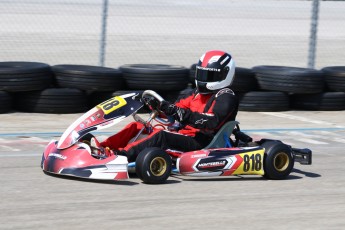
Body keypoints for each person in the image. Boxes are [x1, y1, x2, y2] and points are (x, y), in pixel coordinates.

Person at [99, 50, 239, 162]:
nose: (203, 79)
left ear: (225, 74)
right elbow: (175, 110)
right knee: (137, 127)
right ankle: (102, 148)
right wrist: (159, 108)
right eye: (202, 74)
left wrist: (178, 112)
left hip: (203, 142)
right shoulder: (196, 94)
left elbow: (211, 122)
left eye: (209, 75)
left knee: (161, 137)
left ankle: (119, 157)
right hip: (183, 134)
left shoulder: (226, 96)